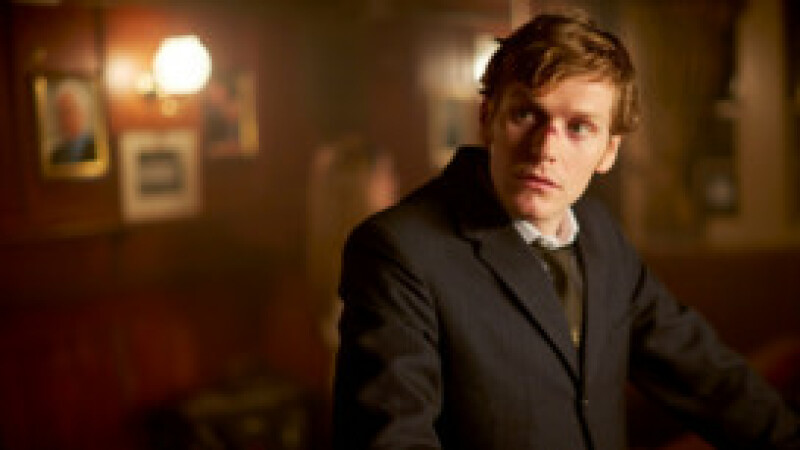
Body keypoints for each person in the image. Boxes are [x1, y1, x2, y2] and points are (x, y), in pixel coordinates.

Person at [332, 12, 800, 450]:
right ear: (487, 117)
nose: (545, 150)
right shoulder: (398, 250)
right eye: (526, 115)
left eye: (578, 128)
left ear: (609, 151)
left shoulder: (600, 234)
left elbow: (707, 377)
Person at [50, 80, 96, 164]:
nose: (64, 119)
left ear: (82, 112)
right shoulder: (55, 155)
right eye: (60, 113)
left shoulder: (97, 147)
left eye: (68, 111)